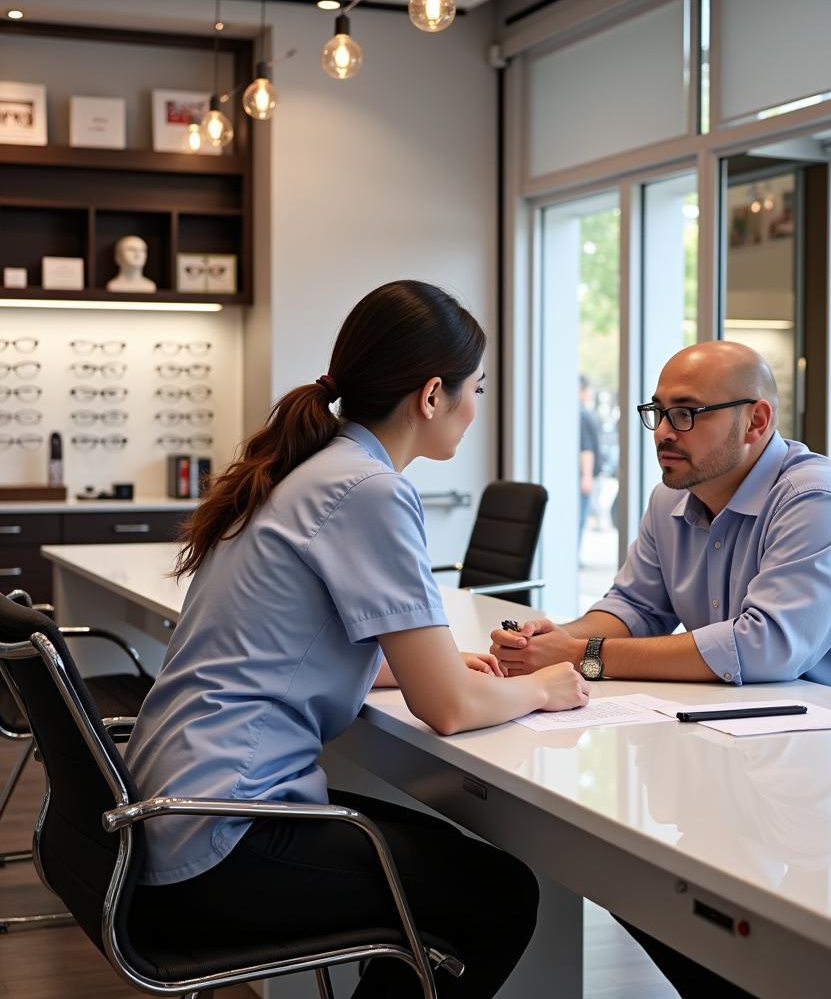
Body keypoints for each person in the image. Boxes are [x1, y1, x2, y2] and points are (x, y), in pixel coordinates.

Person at [124, 280, 589, 998]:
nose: (475, 407)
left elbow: (285, 652)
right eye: (477, 388)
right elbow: (451, 710)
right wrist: (543, 686)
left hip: (174, 814)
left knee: (446, 879)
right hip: (221, 839)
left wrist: (426, 671)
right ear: (432, 396)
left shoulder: (309, 466)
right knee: (496, 896)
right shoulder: (369, 488)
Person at [491, 339, 831, 715]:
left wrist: (582, 656)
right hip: (762, 720)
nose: (664, 432)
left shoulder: (817, 500)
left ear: (756, 421)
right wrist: (547, 643)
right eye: (659, 412)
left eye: (686, 413)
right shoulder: (672, 495)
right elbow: (636, 608)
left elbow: (765, 647)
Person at [579, 375, 602, 550]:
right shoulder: (581, 414)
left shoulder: (582, 414)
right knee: (579, 518)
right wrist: (586, 477)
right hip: (582, 478)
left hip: (584, 477)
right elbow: (586, 449)